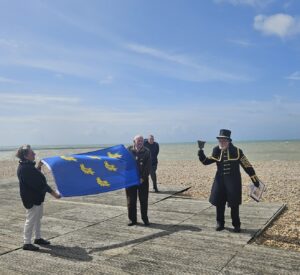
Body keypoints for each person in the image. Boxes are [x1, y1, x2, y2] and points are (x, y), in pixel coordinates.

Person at [197, 129, 260, 233]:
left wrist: (254, 179)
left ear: (229, 141)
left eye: (224, 140)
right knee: (219, 203)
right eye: (220, 140)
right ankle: (220, 223)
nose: (221, 142)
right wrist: (201, 152)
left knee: (234, 204)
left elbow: (247, 165)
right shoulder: (216, 150)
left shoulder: (238, 151)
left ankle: (236, 225)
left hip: (233, 182)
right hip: (220, 181)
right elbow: (206, 162)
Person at [16, 145, 61, 251]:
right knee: (31, 220)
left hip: (37, 197)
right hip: (31, 199)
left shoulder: (27, 166)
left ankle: (38, 238)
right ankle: (26, 243)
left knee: (37, 218)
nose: (34, 154)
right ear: (26, 156)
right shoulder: (25, 169)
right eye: (32, 153)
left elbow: (36, 176)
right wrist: (53, 193)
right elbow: (40, 184)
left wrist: (39, 166)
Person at [126, 135, 151, 226]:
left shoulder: (147, 151)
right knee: (131, 201)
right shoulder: (127, 150)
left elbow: (148, 167)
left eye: (141, 140)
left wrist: (142, 178)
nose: (140, 142)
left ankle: (145, 218)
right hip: (130, 180)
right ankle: (132, 220)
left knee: (143, 200)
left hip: (142, 180)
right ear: (134, 141)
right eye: (138, 140)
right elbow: (122, 162)